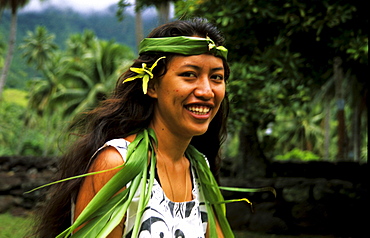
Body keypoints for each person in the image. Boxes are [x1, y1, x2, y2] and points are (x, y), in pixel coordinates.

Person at [33, 18, 233, 238]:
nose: (207, 91)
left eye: (216, 77)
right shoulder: (118, 165)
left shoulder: (199, 169)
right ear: (153, 85)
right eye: (189, 75)